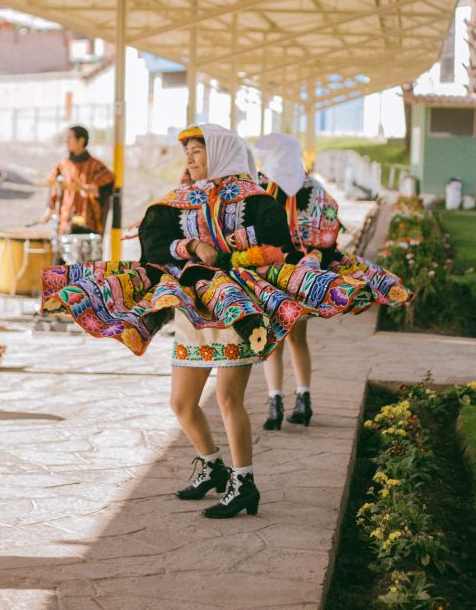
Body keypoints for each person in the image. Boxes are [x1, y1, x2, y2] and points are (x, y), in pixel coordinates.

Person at [41, 124, 373, 518]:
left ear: (218, 153)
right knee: (181, 403)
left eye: (198, 151)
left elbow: (276, 245)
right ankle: (212, 465)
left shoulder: (255, 199)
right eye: (189, 153)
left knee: (227, 399)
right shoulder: (183, 198)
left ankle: (244, 482)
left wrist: (228, 252)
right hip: (192, 307)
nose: (191, 160)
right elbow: (154, 240)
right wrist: (191, 245)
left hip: (238, 309)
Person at [253, 132, 411, 431]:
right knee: (297, 338)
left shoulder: (260, 187)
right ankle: (303, 400)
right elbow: (328, 230)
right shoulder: (312, 187)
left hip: (270, 274)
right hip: (305, 275)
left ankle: (274, 404)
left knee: (272, 336)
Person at [43, 126, 114, 236]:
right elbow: (53, 186)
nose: (66, 141)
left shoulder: (96, 166)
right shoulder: (62, 165)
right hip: (66, 222)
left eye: (70, 138)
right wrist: (49, 209)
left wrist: (92, 190)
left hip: (89, 224)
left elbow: (107, 187)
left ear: (81, 141)